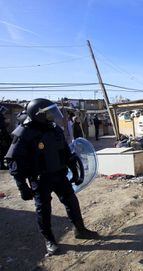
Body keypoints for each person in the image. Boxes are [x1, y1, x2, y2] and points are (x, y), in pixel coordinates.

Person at [5, 98, 98, 255]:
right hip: (40, 179)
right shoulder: (25, 132)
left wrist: (73, 169)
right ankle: (50, 240)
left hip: (59, 174)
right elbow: (14, 161)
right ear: (39, 114)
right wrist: (22, 186)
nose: (53, 116)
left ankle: (80, 230)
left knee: (72, 202)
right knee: (44, 210)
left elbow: (65, 151)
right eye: (49, 113)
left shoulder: (54, 129)